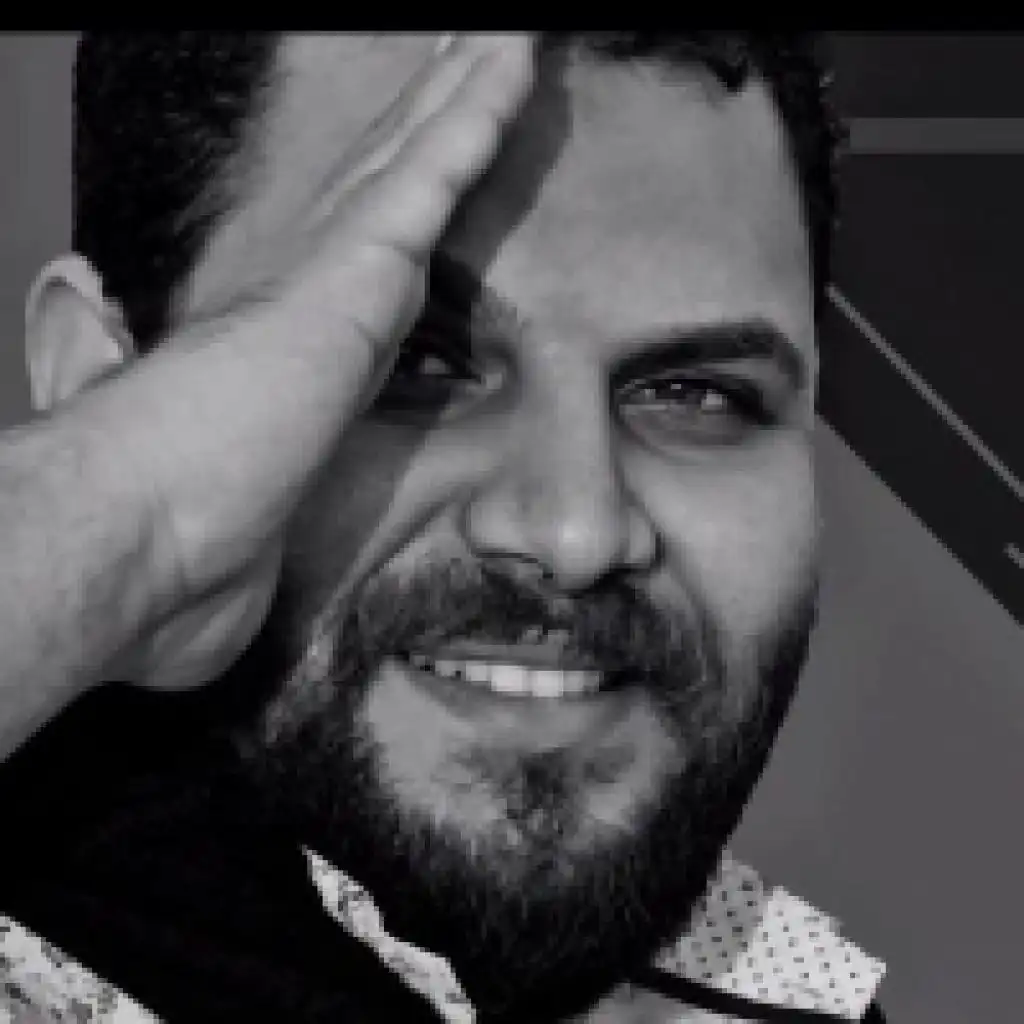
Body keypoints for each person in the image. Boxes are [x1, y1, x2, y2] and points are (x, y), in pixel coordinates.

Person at [0, 32, 889, 1023]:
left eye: (697, 393)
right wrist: (99, 528)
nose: (576, 532)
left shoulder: (770, 986)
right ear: (97, 386)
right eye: (405, 359)